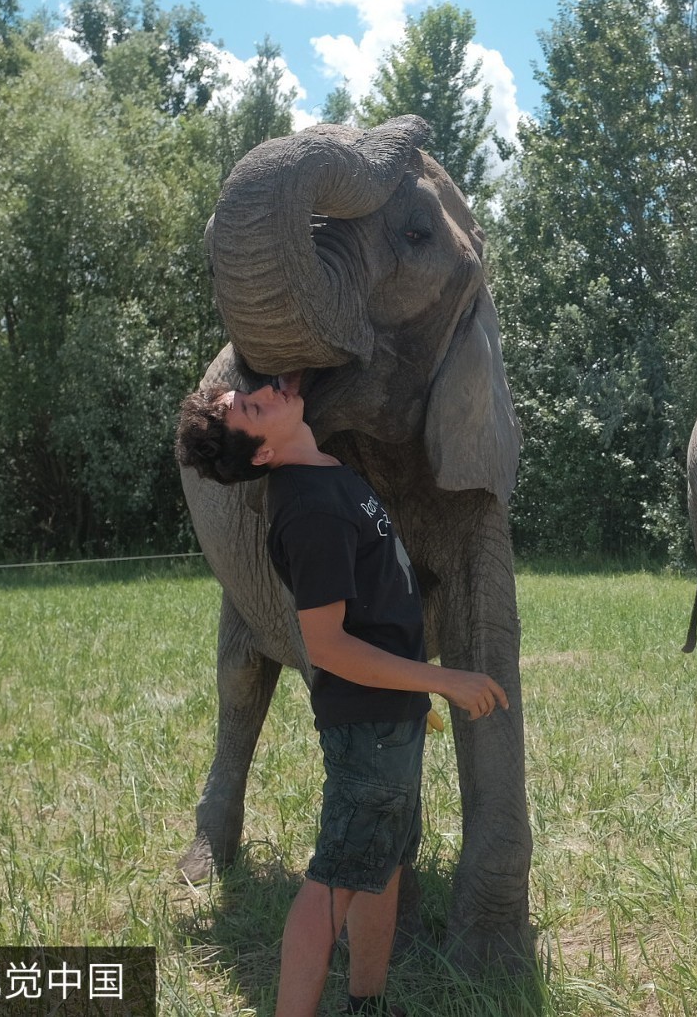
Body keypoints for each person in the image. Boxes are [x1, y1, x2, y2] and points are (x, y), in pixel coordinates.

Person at [176, 372, 508, 1017]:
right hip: (368, 726)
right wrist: (445, 678)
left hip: (389, 715)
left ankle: (366, 1004)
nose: (267, 393)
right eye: (252, 405)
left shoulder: (326, 475)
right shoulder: (311, 509)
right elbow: (325, 646)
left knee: (377, 873)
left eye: (257, 390)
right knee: (332, 885)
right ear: (263, 453)